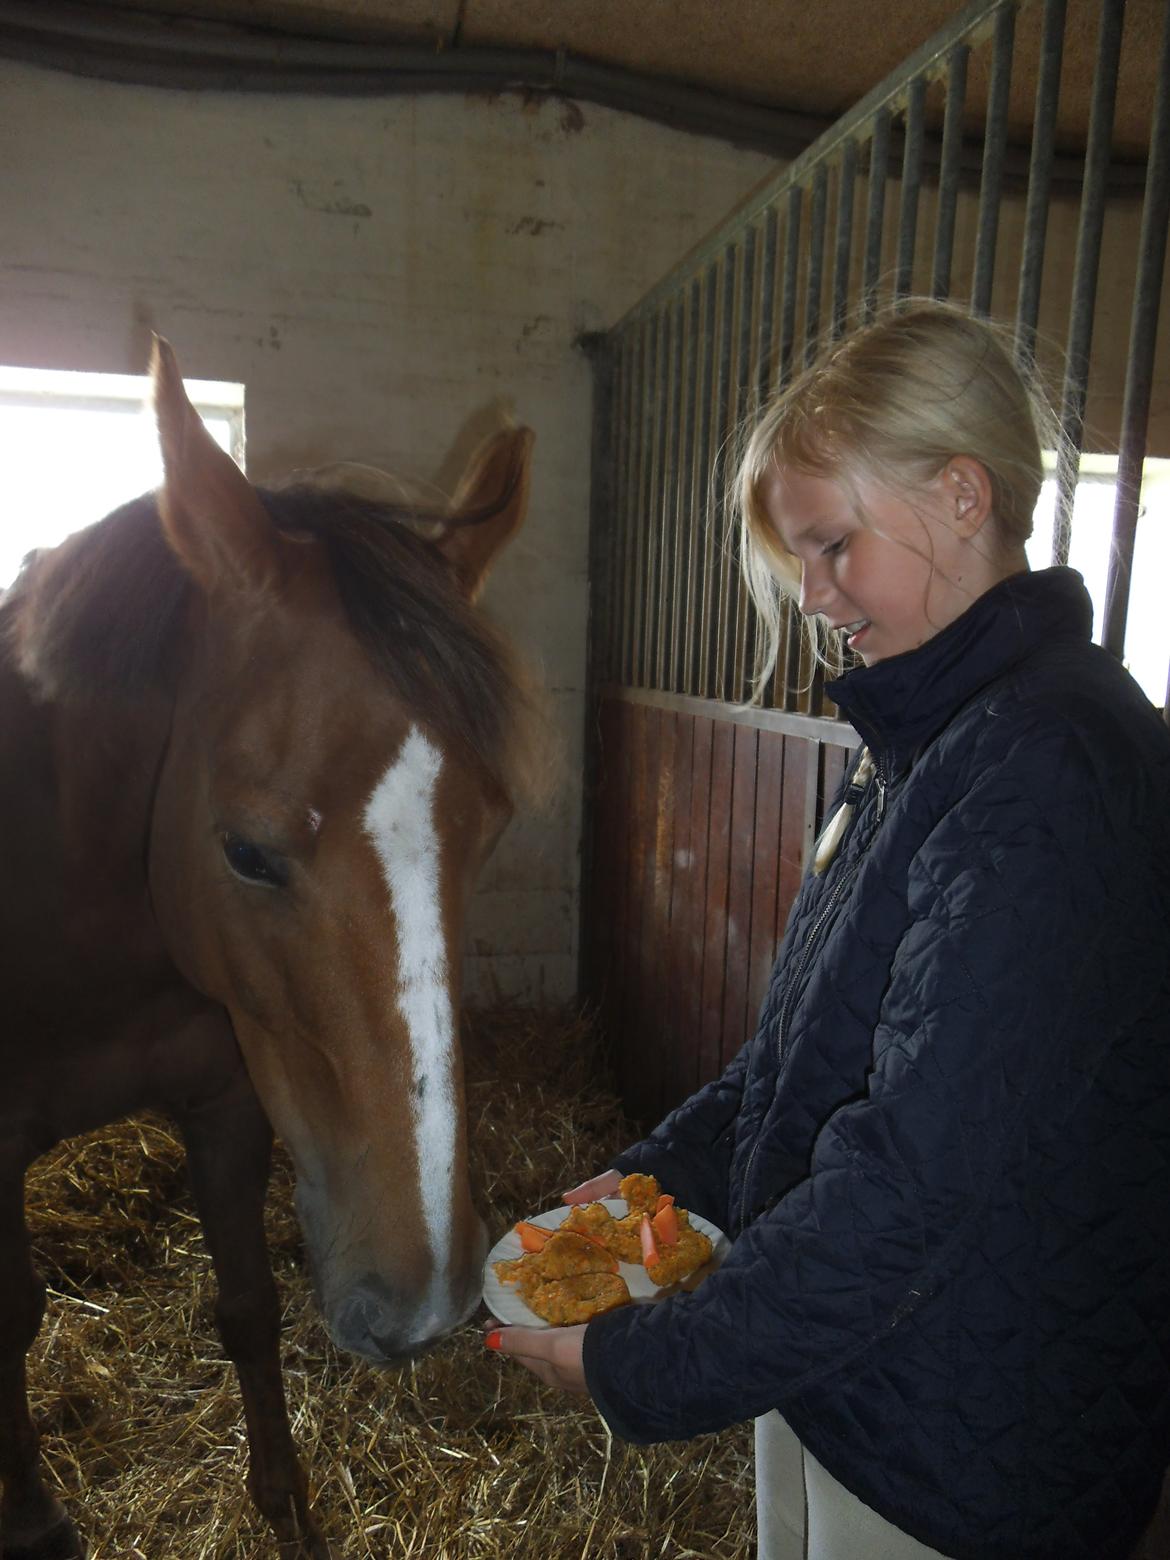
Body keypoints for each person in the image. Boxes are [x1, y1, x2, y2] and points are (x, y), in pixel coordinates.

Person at [484, 301, 1170, 1559]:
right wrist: (655, 1181)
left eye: (833, 545)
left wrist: (642, 1367)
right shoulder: (929, 744)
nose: (812, 596)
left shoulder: (1053, 770)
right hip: (857, 1375)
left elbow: (905, 1183)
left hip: (968, 1445)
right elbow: (808, 1056)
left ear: (964, 495)